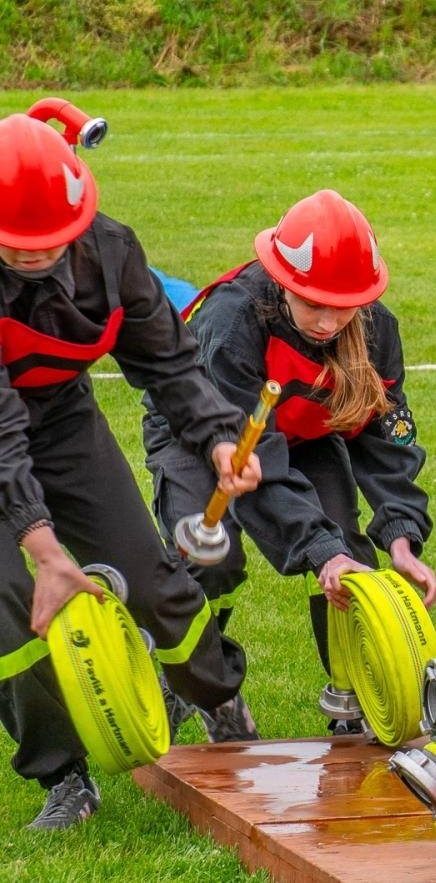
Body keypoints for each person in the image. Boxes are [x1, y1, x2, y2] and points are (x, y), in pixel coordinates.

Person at [0, 106, 261, 828]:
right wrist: (43, 547)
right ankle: (65, 775)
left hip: (63, 423)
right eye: (15, 246)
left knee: (149, 575)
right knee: (14, 610)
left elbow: (168, 360)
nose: (32, 257)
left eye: (46, 244)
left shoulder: (113, 253)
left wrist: (214, 436)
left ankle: (217, 696)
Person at [143, 190, 436, 736]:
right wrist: (317, 549)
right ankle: (201, 685)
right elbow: (257, 462)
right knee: (214, 558)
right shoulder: (233, 321)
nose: (328, 321)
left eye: (342, 305)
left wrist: (400, 535)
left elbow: (386, 440)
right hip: (203, 436)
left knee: (351, 557)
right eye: (312, 304)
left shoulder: (377, 329)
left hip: (303, 432)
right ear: (283, 281)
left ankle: (355, 700)